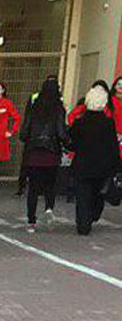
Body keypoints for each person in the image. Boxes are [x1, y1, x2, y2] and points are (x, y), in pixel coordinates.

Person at [67, 84, 121, 236]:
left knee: (83, 196)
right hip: (102, 166)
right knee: (98, 194)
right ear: (104, 103)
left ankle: (83, 225)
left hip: (83, 164)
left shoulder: (79, 123)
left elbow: (71, 142)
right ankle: (93, 216)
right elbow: (113, 146)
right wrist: (117, 165)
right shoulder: (108, 123)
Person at [18, 76, 68, 232]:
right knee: (50, 185)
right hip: (51, 152)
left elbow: (24, 132)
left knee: (33, 188)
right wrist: (68, 142)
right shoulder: (59, 107)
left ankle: (31, 221)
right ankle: (49, 209)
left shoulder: (34, 106)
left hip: (34, 152)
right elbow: (61, 131)